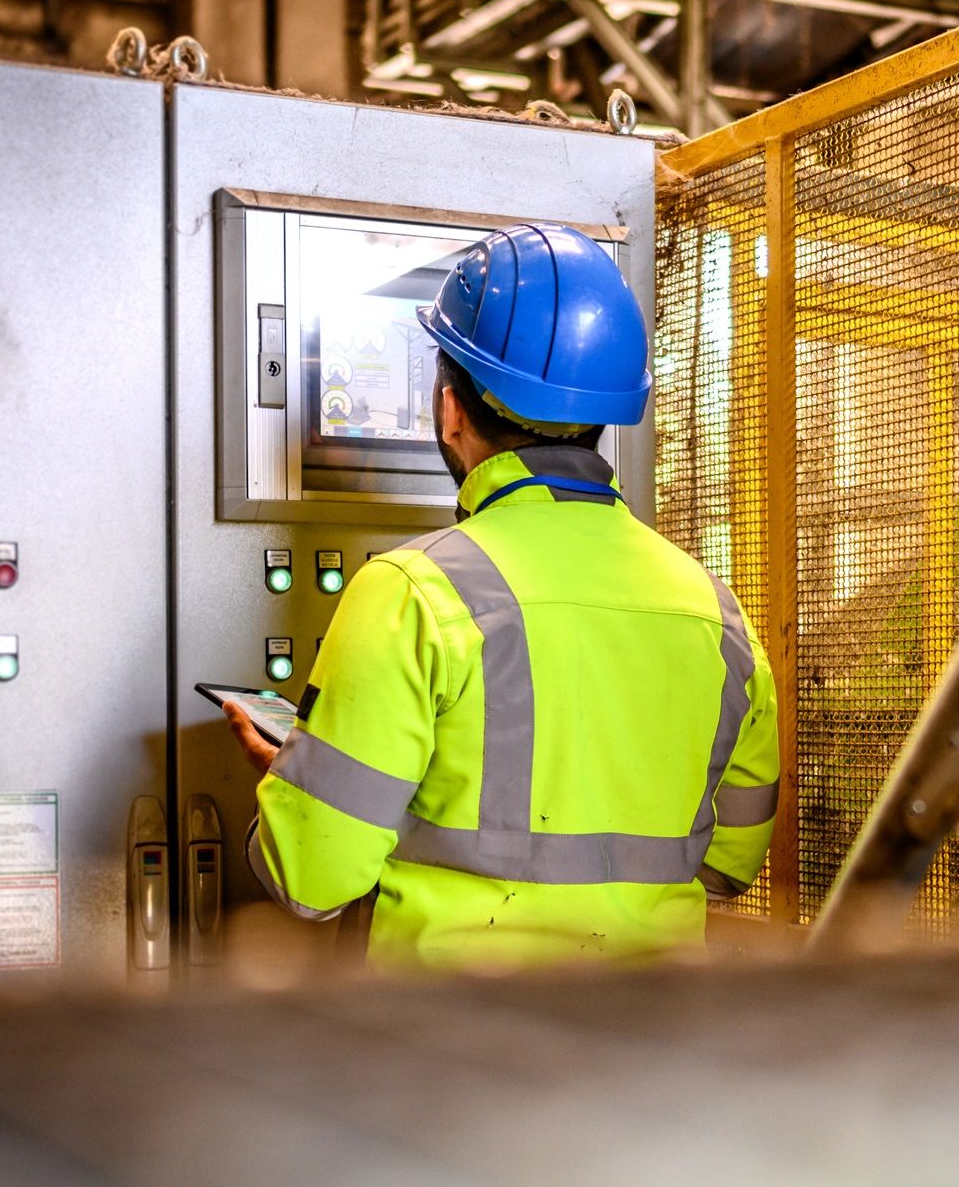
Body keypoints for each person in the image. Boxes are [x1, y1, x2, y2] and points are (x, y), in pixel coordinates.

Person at [224, 222, 778, 971]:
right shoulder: (718, 615)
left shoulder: (411, 593)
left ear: (450, 411)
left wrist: (299, 787)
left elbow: (311, 878)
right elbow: (728, 864)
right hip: (654, 1048)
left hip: (450, 1053)